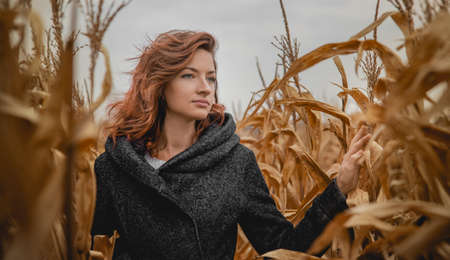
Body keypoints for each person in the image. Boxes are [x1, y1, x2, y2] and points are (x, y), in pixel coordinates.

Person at [91, 30, 371, 260]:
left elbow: (288, 248)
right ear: (158, 84)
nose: (205, 87)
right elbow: (78, 241)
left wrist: (340, 188)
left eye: (210, 77)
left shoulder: (235, 162)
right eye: (189, 75)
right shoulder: (116, 166)